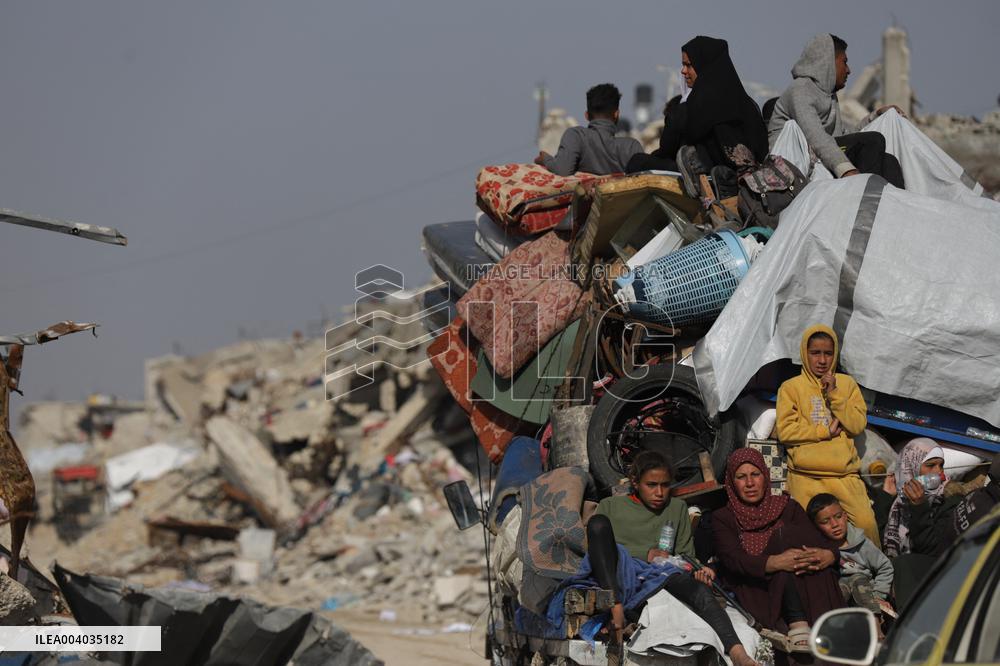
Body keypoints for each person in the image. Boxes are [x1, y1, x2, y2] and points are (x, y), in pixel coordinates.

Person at [586, 451, 758, 666]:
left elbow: (686, 555)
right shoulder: (611, 506)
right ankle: (616, 607)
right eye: (651, 485)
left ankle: (737, 652)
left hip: (661, 574)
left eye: (665, 485)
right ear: (635, 483)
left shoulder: (676, 508)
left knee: (699, 592)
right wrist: (643, 554)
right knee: (598, 523)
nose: (659, 492)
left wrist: (698, 569)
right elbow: (598, 547)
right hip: (619, 570)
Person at [712, 448, 844, 652]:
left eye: (755, 474)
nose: (749, 483)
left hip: (803, 580)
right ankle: (798, 622)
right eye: (741, 477)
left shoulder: (788, 507)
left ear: (765, 476)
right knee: (783, 540)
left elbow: (820, 542)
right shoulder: (723, 518)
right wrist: (772, 562)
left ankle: (829, 629)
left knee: (792, 539)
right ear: (731, 482)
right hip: (757, 588)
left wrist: (830, 554)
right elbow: (733, 559)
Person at [776, 324, 880, 546]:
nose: (822, 360)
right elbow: (785, 431)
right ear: (805, 353)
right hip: (805, 476)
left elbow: (856, 424)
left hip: (844, 476)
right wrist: (823, 431)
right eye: (815, 353)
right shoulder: (791, 387)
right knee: (806, 535)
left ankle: (876, 574)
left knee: (867, 524)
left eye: (828, 353)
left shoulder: (847, 384)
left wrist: (834, 394)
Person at [626, 35, 768, 193]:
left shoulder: (692, 108)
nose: (683, 71)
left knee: (637, 161)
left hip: (708, 178)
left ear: (704, 67)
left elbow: (666, 150)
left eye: (688, 65)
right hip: (750, 180)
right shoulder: (746, 104)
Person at [768, 34, 904, 187]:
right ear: (828, 63)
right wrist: (846, 170)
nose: (849, 70)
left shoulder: (829, 96)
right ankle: (864, 193)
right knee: (873, 140)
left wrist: (875, 116)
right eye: (844, 62)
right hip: (795, 161)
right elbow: (816, 136)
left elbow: (844, 137)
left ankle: (894, 204)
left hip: (819, 155)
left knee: (889, 161)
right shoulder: (800, 90)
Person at [808, 493, 893, 616]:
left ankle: (876, 627)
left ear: (845, 516)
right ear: (816, 526)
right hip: (841, 601)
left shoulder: (861, 543)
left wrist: (879, 596)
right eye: (825, 521)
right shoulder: (821, 550)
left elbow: (885, 567)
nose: (835, 525)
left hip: (867, 596)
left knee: (858, 579)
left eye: (838, 517)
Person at [535, 83, 643, 176]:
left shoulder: (576, 136)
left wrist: (546, 159)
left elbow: (563, 170)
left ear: (586, 115)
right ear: (616, 114)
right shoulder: (632, 147)